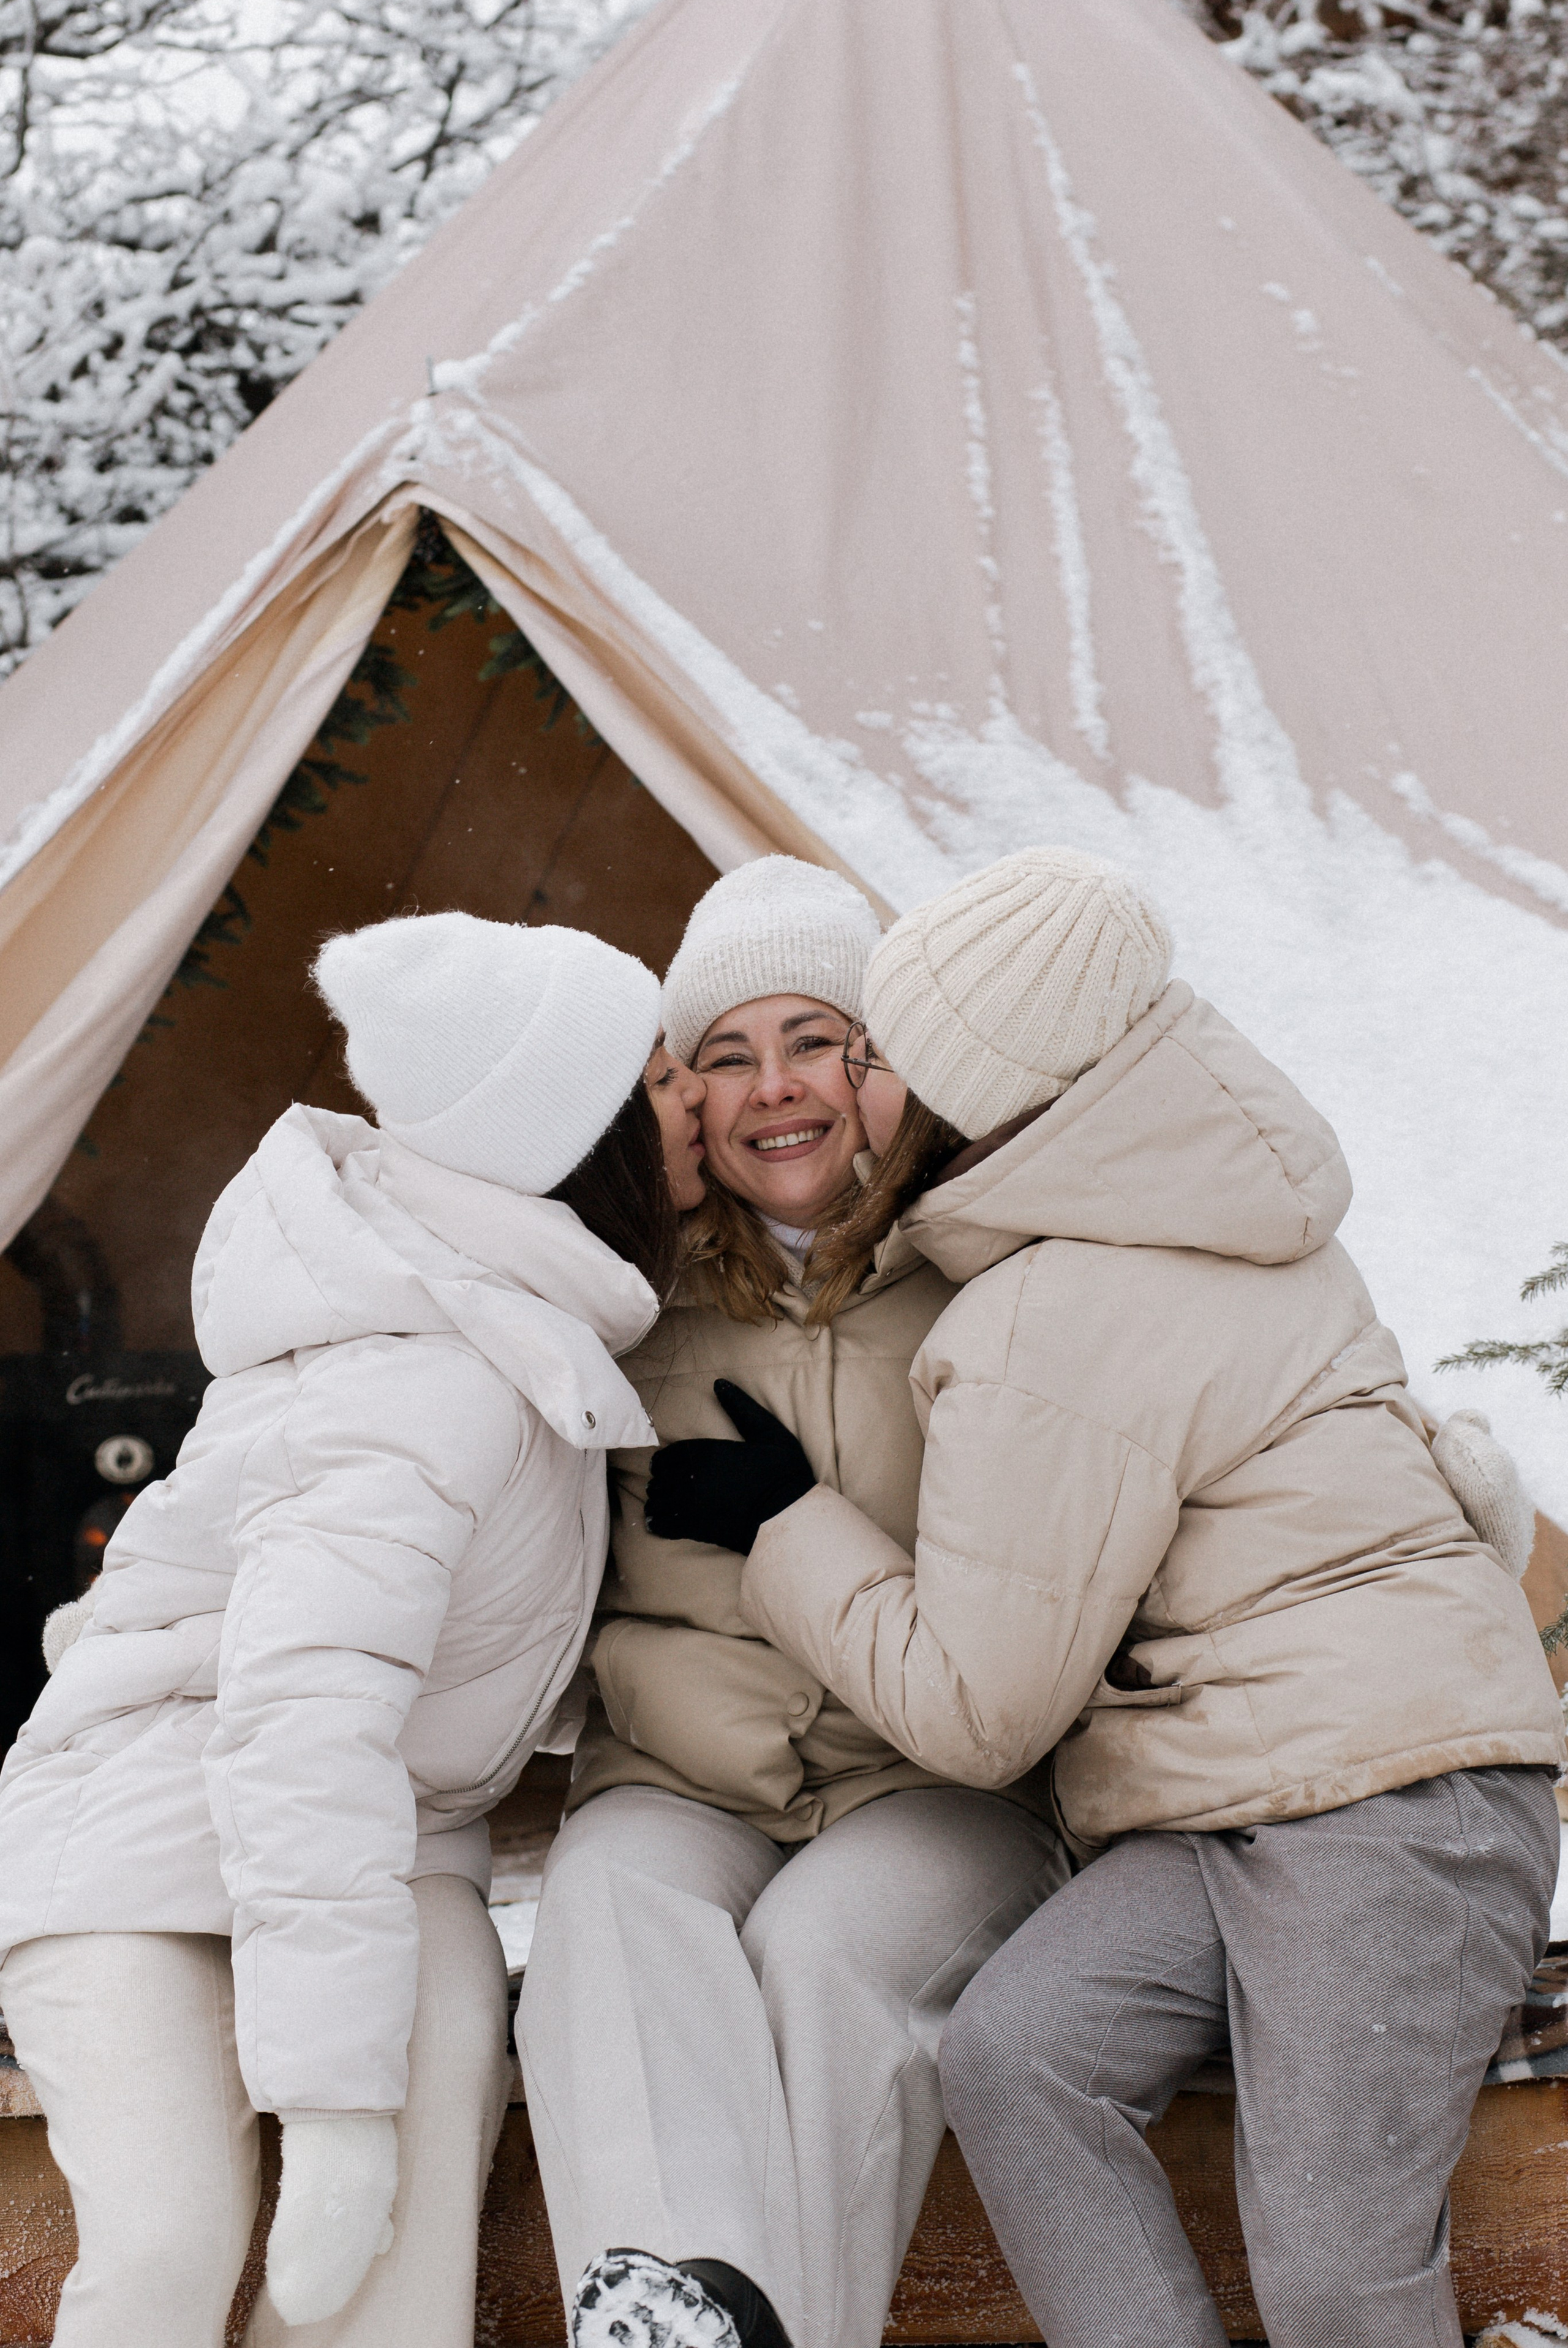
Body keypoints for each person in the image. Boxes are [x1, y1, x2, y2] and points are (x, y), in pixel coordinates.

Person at [672, 845, 1563, 2348]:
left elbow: (977, 1709)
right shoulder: (1206, 1197)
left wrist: (783, 1525)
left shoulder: (1048, 1313)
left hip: (1383, 1792)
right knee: (1021, 2056)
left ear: (963, 1090)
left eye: (874, 1056)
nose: (836, 1090)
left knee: (1335, 2274)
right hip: (1235, 1786)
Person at [0, 910, 682, 2348]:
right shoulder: (417, 1381)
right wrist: (331, 2108)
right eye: (662, 1077)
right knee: (174, 2247)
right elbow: (299, 1721)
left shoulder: (514, 1330)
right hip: (139, 1846)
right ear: (584, 1134)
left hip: (380, 1847)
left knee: (385, 2286)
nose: (695, 1107)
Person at [514, 856, 1069, 2348]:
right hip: (681, 1775)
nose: (775, 1090)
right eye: (727, 1055)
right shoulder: (625, 1291)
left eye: (812, 1039)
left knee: (822, 1955)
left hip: (935, 1784)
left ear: (880, 1058)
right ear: (682, 1096)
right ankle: (668, 2309)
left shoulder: (988, 1265)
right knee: (609, 1905)